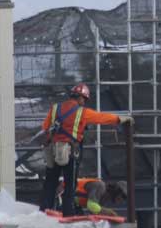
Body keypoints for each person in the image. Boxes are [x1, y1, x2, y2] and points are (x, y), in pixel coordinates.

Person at [41, 83, 133, 216]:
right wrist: (120, 119)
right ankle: (68, 214)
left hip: (53, 151)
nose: (83, 102)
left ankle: (44, 211)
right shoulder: (81, 112)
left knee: (50, 182)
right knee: (70, 185)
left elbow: (45, 127)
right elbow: (101, 118)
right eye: (84, 99)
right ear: (80, 98)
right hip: (70, 152)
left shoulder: (54, 108)